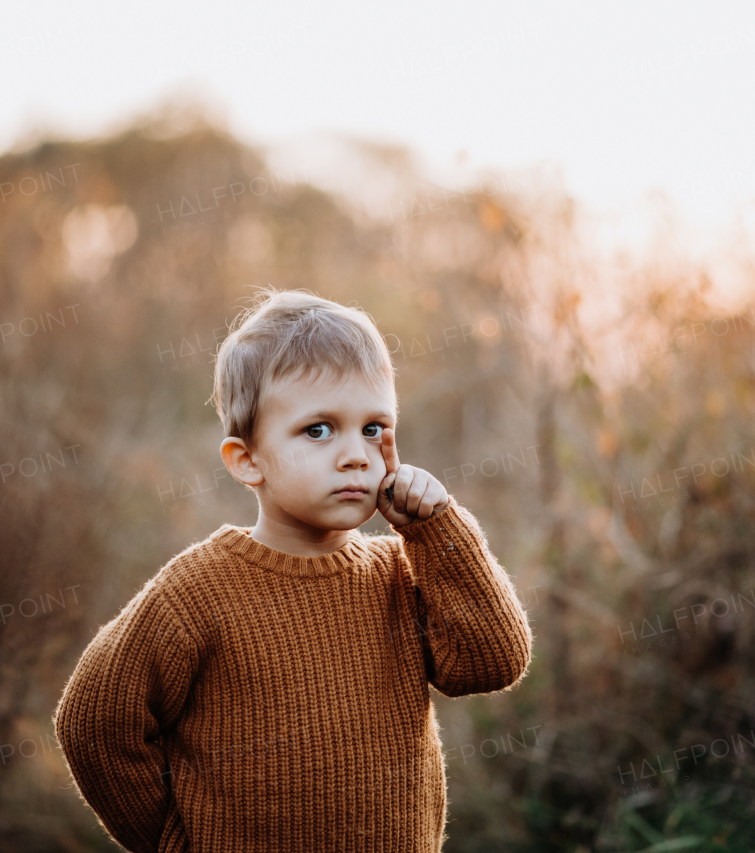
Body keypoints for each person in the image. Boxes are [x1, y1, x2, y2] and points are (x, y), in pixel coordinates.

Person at [54, 287, 533, 852]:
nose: (356, 452)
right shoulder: (198, 592)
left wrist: (435, 530)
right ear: (248, 459)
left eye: (374, 427)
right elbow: (93, 724)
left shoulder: (397, 572)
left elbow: (492, 661)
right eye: (318, 430)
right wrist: (173, 839)